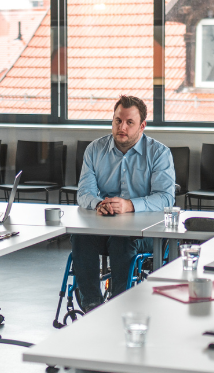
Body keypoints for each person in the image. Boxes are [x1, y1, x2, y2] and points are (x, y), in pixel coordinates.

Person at [73, 95, 175, 312]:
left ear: (142, 126)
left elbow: (166, 197)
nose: (122, 127)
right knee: (80, 235)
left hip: (142, 234)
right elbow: (84, 192)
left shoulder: (159, 153)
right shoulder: (94, 150)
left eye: (130, 122)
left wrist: (129, 205)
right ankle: (91, 304)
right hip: (103, 228)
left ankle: (120, 305)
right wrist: (99, 203)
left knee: (121, 241)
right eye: (118, 120)